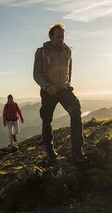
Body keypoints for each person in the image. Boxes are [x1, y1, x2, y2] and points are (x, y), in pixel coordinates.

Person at [33, 23, 86, 162]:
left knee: (76, 112)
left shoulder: (68, 50)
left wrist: (68, 84)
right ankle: (50, 152)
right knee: (47, 120)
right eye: (57, 37)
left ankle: (77, 151)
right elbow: (36, 74)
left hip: (63, 89)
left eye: (62, 36)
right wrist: (47, 87)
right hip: (48, 91)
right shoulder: (41, 52)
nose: (60, 39)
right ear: (50, 37)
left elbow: (70, 70)